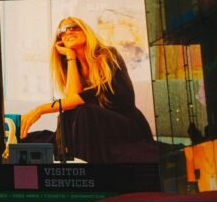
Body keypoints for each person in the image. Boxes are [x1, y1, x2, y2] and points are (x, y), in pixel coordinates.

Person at [19, 17, 155, 163]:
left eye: (74, 27)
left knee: (85, 111)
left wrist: (40, 109)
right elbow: (72, 102)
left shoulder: (107, 55)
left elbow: (97, 93)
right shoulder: (74, 69)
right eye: (62, 31)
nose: (68, 31)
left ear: (86, 31)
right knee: (64, 120)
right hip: (97, 130)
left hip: (127, 125)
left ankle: (90, 174)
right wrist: (71, 57)